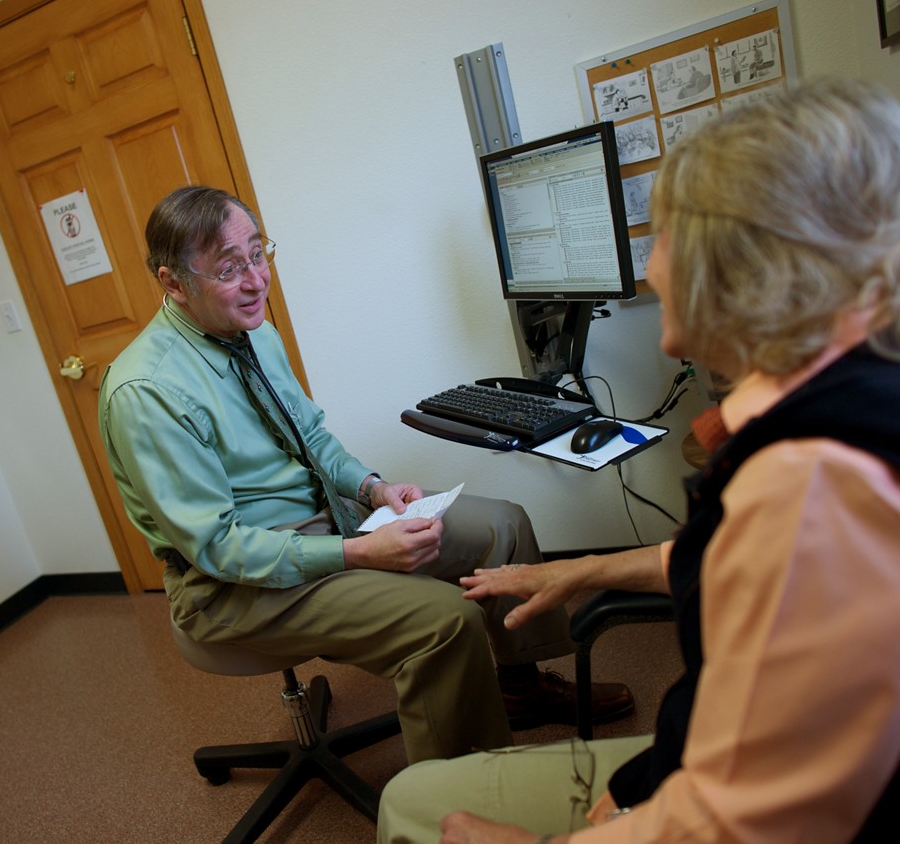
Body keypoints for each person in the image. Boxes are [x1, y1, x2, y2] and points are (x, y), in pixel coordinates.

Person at [377, 77, 900, 842]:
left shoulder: (815, 483)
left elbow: (731, 827)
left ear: (733, 259)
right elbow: (754, 563)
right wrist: (582, 568)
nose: (651, 267)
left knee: (414, 804)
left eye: (660, 235)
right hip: (741, 764)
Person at [98, 185, 634, 765]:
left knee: (501, 525)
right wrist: (360, 554)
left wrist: (371, 488)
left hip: (330, 522)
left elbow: (314, 438)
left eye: (258, 254)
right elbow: (219, 549)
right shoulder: (147, 392)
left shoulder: (252, 331)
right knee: (445, 622)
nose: (255, 280)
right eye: (229, 268)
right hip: (234, 586)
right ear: (173, 283)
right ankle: (458, 803)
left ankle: (520, 687)